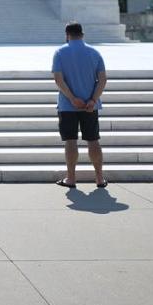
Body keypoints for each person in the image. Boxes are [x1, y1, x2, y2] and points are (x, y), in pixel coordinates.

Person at [51, 22, 108, 188]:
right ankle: (99, 178)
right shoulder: (94, 52)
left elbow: (58, 79)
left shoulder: (60, 52)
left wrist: (72, 98)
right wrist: (92, 100)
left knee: (70, 141)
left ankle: (71, 178)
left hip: (68, 105)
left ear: (67, 34)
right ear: (82, 34)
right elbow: (102, 79)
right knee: (93, 140)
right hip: (90, 105)